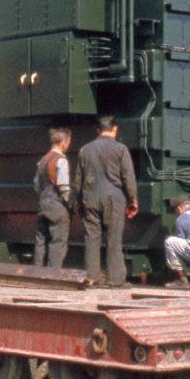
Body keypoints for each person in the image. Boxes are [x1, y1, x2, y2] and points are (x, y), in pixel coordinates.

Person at [73, 116, 138, 286]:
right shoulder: (121, 149)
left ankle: (91, 277)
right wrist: (133, 200)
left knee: (91, 238)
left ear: (97, 130)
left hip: (91, 198)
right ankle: (115, 280)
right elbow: (128, 177)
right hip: (114, 198)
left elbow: (78, 180)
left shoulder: (85, 150)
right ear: (115, 129)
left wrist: (78, 202)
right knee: (114, 239)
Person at [33, 127, 73, 268]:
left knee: (41, 240)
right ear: (63, 142)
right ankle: (53, 275)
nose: (68, 145)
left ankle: (37, 273)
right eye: (68, 142)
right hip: (57, 206)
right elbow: (63, 186)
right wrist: (70, 204)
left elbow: (36, 186)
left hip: (43, 204)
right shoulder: (61, 160)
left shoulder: (42, 161)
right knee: (58, 242)